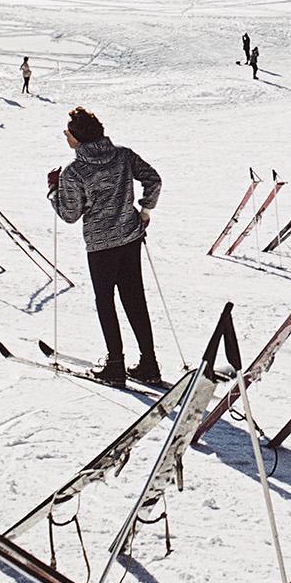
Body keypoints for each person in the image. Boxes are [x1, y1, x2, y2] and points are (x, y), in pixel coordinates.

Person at [48, 107, 163, 389]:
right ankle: (149, 363)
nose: (66, 136)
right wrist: (145, 211)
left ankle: (115, 366)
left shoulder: (75, 172)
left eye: (68, 132)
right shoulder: (123, 155)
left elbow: (70, 215)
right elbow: (153, 179)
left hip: (101, 245)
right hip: (130, 236)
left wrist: (53, 191)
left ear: (77, 138)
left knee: (106, 301)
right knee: (135, 298)